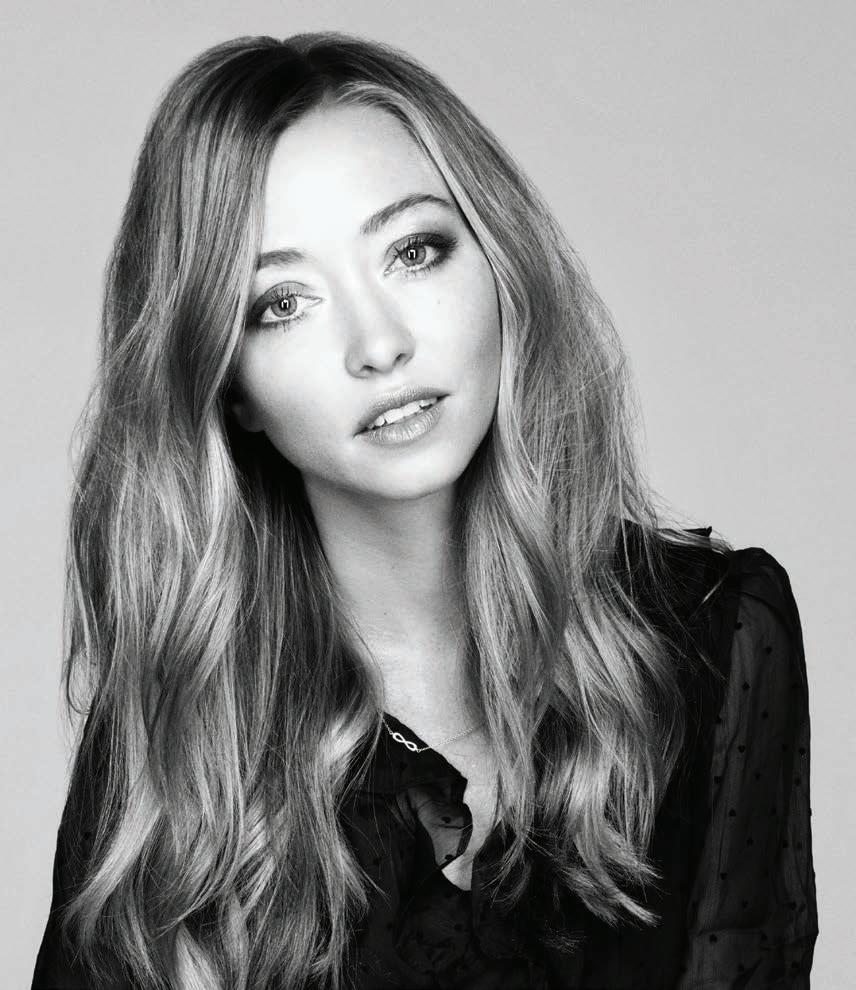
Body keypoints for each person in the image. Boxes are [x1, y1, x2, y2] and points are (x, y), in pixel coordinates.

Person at [30, 32, 817, 990]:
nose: (378, 344)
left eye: (413, 251)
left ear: (498, 260)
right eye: (283, 303)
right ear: (229, 386)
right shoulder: (183, 741)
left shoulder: (713, 641)